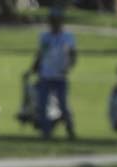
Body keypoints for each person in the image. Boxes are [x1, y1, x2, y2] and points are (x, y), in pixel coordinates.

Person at [32, 8, 77, 140]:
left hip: (60, 76)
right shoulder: (45, 37)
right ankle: (46, 132)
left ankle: (70, 129)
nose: (54, 23)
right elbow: (41, 54)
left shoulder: (68, 37)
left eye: (57, 21)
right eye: (52, 21)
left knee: (63, 105)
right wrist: (34, 67)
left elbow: (73, 55)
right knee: (42, 104)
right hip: (45, 75)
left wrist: (68, 66)